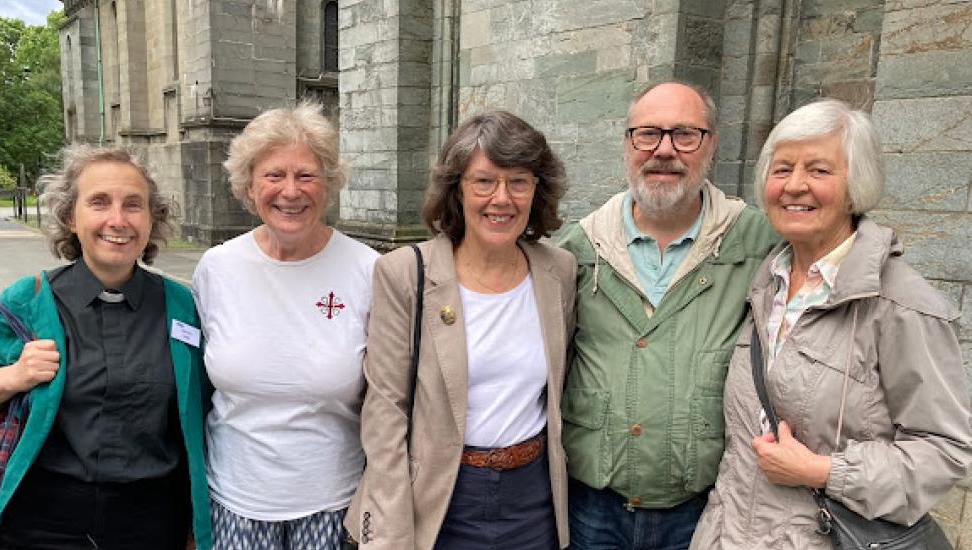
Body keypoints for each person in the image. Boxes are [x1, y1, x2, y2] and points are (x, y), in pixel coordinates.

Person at [690, 98, 972, 548]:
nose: (795, 186)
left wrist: (824, 471)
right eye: (782, 170)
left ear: (855, 186)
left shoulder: (900, 304)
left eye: (819, 171)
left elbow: (944, 452)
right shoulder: (765, 285)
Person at [0, 145, 212, 550]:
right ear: (70, 216)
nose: (117, 220)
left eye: (133, 205)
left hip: (154, 522)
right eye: (99, 202)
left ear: (152, 219)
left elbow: (208, 407)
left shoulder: (183, 306)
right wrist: (13, 375)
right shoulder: (29, 300)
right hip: (43, 522)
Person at [555, 81, 780, 550]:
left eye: (684, 135)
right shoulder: (579, 249)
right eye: (648, 134)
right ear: (627, 144)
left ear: (711, 145)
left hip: (701, 504)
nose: (664, 150)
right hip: (594, 505)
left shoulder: (758, 243)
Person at [346, 111, 576, 550]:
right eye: (484, 181)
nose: (502, 198)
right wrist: (393, 534)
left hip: (533, 499)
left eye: (519, 181)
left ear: (537, 190)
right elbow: (385, 411)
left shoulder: (557, 271)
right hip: (440, 497)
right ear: (457, 191)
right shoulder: (406, 274)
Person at [191, 102, 379, 549]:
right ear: (249, 186)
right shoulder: (217, 268)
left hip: (334, 504)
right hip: (234, 501)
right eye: (274, 175)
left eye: (307, 175)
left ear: (329, 184)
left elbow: (390, 397)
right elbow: (194, 385)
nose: (290, 191)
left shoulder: (368, 270)